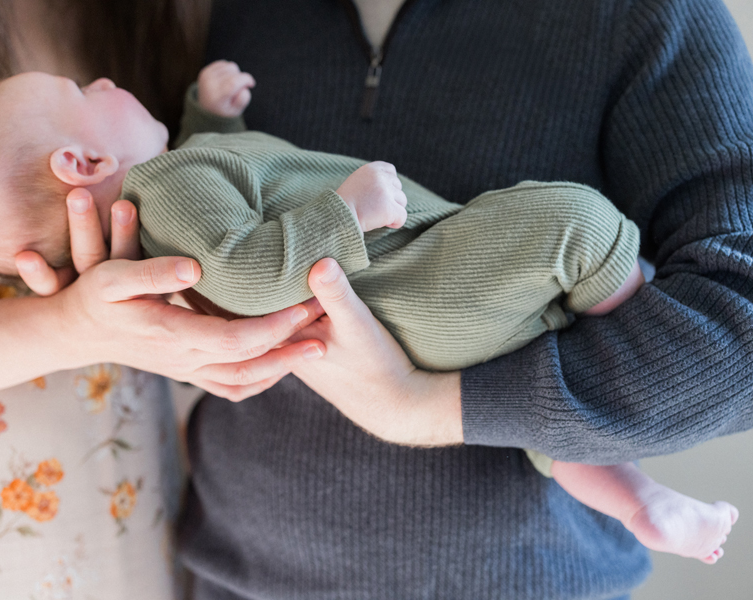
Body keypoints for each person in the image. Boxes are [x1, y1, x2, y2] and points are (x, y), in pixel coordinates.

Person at [0, 62, 734, 564]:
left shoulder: (175, 183)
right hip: (413, 285)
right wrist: (344, 213)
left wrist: (212, 114)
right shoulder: (164, 186)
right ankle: (632, 304)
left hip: (425, 310)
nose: (101, 81)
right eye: (79, 93)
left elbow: (245, 189)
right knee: (574, 224)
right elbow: (243, 271)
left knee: (536, 384)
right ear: (83, 161)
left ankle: (640, 504)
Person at [164, 0, 753, 598]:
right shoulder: (215, 17)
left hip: (529, 581)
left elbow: (742, 317)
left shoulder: (643, 15)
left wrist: (432, 406)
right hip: (240, 576)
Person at [0, 0, 327, 597]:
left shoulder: (152, 14)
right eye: (80, 91)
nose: (103, 86)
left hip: (136, 514)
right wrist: (70, 328)